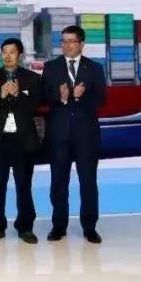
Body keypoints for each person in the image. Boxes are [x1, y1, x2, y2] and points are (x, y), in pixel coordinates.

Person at [41, 25, 108, 244]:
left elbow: (101, 99)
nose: (67, 45)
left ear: (81, 44)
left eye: (71, 41)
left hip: (86, 136)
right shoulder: (51, 67)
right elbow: (42, 97)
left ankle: (90, 227)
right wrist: (60, 97)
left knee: (88, 182)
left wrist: (81, 95)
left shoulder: (94, 68)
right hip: (59, 134)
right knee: (58, 181)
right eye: (64, 41)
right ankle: (58, 226)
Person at [0, 38, 42, 244]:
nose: (7, 56)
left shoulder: (32, 78)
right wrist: (0, 95)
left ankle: (25, 227)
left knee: (23, 185)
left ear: (20, 55)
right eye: (4, 52)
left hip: (23, 140)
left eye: (12, 52)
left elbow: (35, 106)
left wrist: (17, 95)